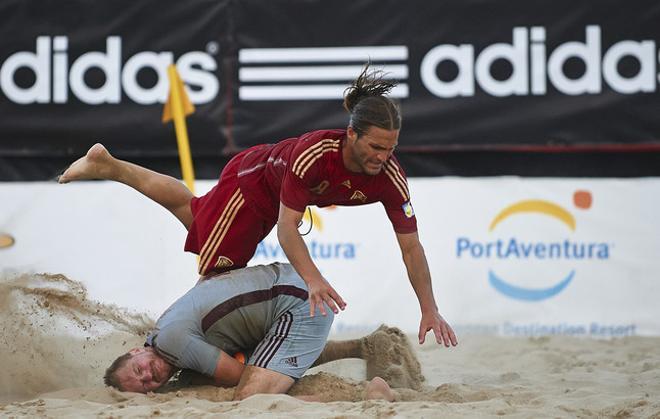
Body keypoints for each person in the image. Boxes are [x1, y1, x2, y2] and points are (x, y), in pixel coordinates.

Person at [59, 64, 458, 348]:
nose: (383, 157)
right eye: (375, 147)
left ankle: (107, 164)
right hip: (251, 185)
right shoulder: (315, 155)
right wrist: (314, 280)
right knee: (218, 277)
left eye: (391, 148)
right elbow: (288, 231)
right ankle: (164, 347)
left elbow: (411, 247)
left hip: (268, 192)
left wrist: (429, 308)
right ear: (351, 134)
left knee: (191, 210)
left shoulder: (390, 177)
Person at [104, 262, 394, 401]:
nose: (148, 377)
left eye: (138, 369)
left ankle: (365, 395)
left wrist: (198, 385)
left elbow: (237, 374)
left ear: (135, 351)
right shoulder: (163, 330)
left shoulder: (171, 342)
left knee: (251, 397)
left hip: (299, 302)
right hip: (291, 289)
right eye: (144, 386)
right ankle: (365, 347)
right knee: (264, 360)